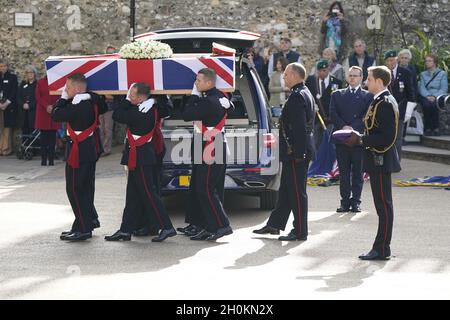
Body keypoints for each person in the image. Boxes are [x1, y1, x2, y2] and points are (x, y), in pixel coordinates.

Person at [105, 82, 176, 242]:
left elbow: (118, 115)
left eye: (132, 94)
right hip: (138, 156)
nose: (129, 97)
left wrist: (127, 100)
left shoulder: (142, 112)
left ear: (140, 97)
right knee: (133, 195)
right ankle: (125, 230)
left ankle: (166, 227)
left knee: (149, 193)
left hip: (142, 157)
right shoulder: (146, 108)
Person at [253, 63, 316, 241]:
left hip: (296, 153)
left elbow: (299, 128)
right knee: (287, 190)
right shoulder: (303, 92)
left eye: (287, 74)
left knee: (297, 192)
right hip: (295, 152)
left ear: (296, 75)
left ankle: (300, 231)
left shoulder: (297, 97)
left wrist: (299, 154)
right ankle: (274, 224)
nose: (284, 78)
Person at [344, 65, 401, 260]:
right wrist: (360, 136)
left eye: (368, 78)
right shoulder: (379, 100)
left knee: (384, 206)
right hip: (378, 159)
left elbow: (387, 137)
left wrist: (361, 140)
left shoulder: (384, 102)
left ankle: (382, 248)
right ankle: (381, 247)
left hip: (381, 159)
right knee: (382, 206)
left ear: (379, 81)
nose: (366, 81)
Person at [178, 68, 233, 241]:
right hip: (206, 143)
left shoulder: (208, 101)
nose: (196, 83)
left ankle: (222, 225)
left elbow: (186, 114)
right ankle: (205, 225)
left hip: (211, 145)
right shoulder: (218, 97)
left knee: (206, 189)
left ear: (209, 83)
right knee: (200, 186)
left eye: (199, 81)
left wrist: (193, 96)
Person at [52, 73, 107, 241]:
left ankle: (84, 228)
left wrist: (62, 99)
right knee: (86, 188)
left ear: (76, 89)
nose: (65, 91)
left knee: (75, 189)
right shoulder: (91, 101)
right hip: (88, 150)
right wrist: (90, 95)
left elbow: (56, 114)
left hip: (79, 152)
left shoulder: (77, 105)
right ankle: (87, 221)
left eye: (67, 88)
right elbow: (103, 105)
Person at [329, 66, 372, 213]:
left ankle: (356, 202)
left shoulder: (368, 96)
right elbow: (333, 113)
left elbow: (367, 115)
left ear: (361, 78)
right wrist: (344, 126)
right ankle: (344, 202)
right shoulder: (337, 94)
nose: (353, 78)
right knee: (344, 172)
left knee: (358, 173)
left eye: (356, 75)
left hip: (358, 139)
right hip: (341, 138)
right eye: (350, 75)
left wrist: (353, 128)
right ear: (347, 77)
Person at [384, 50, 416, 161]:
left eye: (392, 60)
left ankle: (396, 161)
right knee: (387, 137)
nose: (391, 62)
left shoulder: (405, 72)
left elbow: (410, 93)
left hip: (400, 109)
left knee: (398, 138)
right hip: (386, 110)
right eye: (388, 60)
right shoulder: (383, 73)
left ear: (396, 59)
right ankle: (387, 160)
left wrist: (409, 111)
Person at [306, 59, 343, 149]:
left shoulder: (336, 82)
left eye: (324, 70)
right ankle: (316, 160)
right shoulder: (311, 80)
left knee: (329, 141)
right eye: (320, 71)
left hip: (330, 117)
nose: (322, 73)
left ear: (328, 70)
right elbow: (307, 95)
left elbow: (338, 100)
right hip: (316, 117)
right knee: (315, 141)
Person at [418, 54, 448, 136]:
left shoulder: (442, 74)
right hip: (426, 96)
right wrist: (428, 96)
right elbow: (422, 88)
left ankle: (436, 128)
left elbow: (444, 88)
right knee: (427, 105)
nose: (427, 62)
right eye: (426, 61)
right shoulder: (423, 74)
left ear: (434, 63)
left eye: (429, 61)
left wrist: (434, 96)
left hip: (438, 96)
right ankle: (427, 128)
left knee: (434, 105)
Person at [35, 76, 61, 166]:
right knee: (43, 140)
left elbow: (60, 96)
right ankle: (43, 160)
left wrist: (53, 106)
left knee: (52, 140)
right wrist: (46, 106)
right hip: (43, 112)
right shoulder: (40, 82)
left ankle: (51, 160)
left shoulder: (57, 81)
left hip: (53, 112)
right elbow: (38, 96)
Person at [0, 59, 18, 156]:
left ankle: (6, 149)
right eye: (1, 66)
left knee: (7, 128)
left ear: (7, 67)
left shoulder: (12, 77)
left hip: (8, 106)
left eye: (4, 66)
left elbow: (14, 91)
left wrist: (6, 103)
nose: (2, 68)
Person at [17, 65, 38, 140]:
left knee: (33, 130)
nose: (30, 74)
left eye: (31, 72)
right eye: (28, 72)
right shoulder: (23, 84)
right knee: (24, 130)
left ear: (34, 73)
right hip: (23, 112)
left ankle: (33, 150)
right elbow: (18, 96)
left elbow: (38, 97)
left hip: (33, 111)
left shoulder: (37, 84)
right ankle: (25, 149)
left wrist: (30, 105)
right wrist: (23, 104)